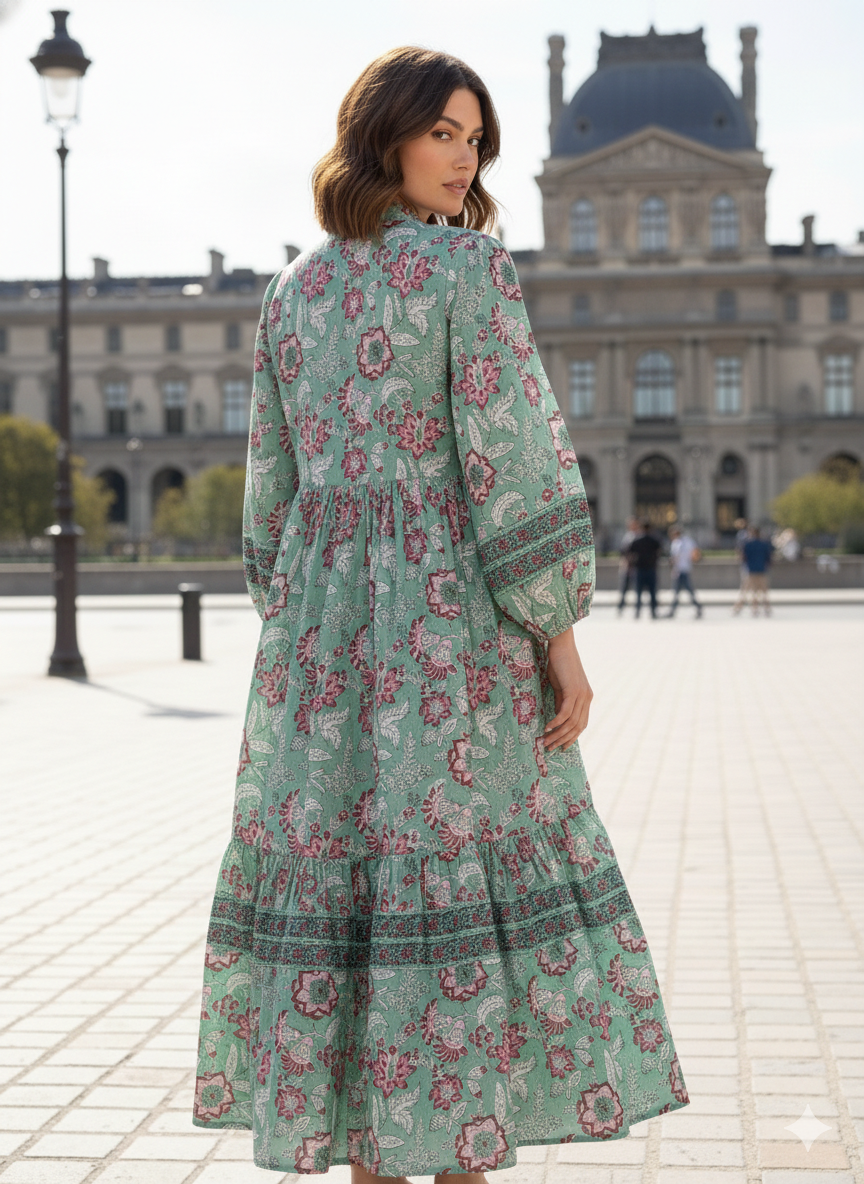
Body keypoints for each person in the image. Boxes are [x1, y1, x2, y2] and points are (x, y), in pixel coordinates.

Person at [192, 47, 688, 1182]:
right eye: (444, 134)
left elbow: (269, 498)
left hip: (319, 649)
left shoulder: (289, 291)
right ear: (387, 137)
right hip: (451, 631)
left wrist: (304, 623)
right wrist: (560, 636)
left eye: (476, 140)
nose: (464, 160)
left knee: (354, 899)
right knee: (459, 885)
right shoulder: (468, 270)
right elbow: (514, 462)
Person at [733, 525, 774, 616]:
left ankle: (746, 608)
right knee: (763, 591)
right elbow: (768, 558)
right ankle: (766, 608)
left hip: (750, 570)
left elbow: (743, 557)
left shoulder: (747, 544)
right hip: (761, 570)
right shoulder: (764, 544)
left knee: (746, 590)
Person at [666, 527, 703, 618]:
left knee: (680, 591)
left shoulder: (680, 542)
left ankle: (673, 610)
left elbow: (676, 557)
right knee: (681, 591)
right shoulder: (683, 541)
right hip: (682, 569)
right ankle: (673, 610)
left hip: (681, 570)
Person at [628, 520, 662, 618]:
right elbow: (660, 552)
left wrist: (631, 565)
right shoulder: (654, 540)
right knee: (652, 592)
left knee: (638, 592)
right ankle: (653, 611)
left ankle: (638, 611)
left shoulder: (637, 540)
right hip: (651, 568)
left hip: (639, 568)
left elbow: (629, 553)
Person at [617, 516, 639, 615]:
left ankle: (637, 609)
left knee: (637, 589)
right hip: (627, 566)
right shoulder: (627, 536)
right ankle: (621, 607)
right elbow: (623, 551)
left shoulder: (638, 536)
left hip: (636, 567)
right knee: (624, 589)